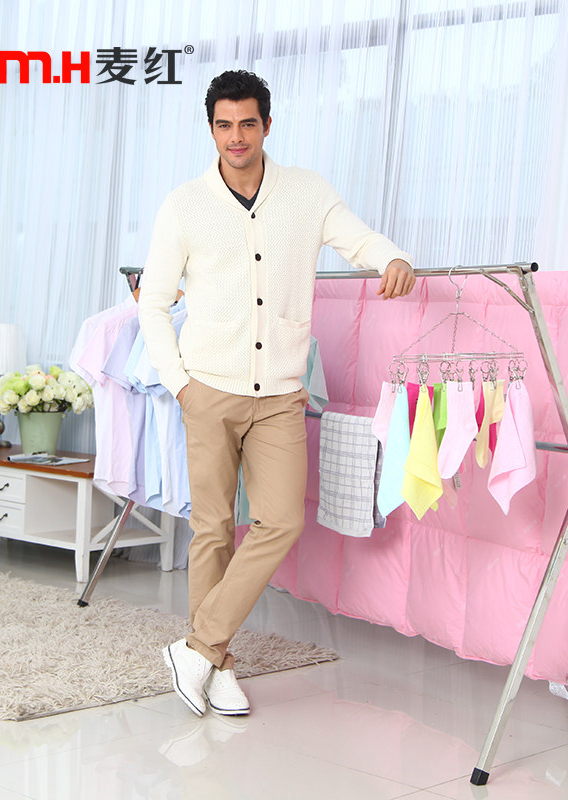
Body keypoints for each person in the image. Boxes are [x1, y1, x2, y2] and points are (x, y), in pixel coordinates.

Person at [138, 69, 415, 718]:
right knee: (212, 531)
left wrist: (392, 259)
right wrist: (180, 385)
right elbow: (153, 303)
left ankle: (198, 649)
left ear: (267, 124)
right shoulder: (184, 205)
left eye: (247, 123)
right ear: (211, 129)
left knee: (281, 521)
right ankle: (219, 666)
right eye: (224, 125)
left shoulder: (306, 192)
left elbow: (358, 237)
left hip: (281, 395)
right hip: (208, 390)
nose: (236, 137)